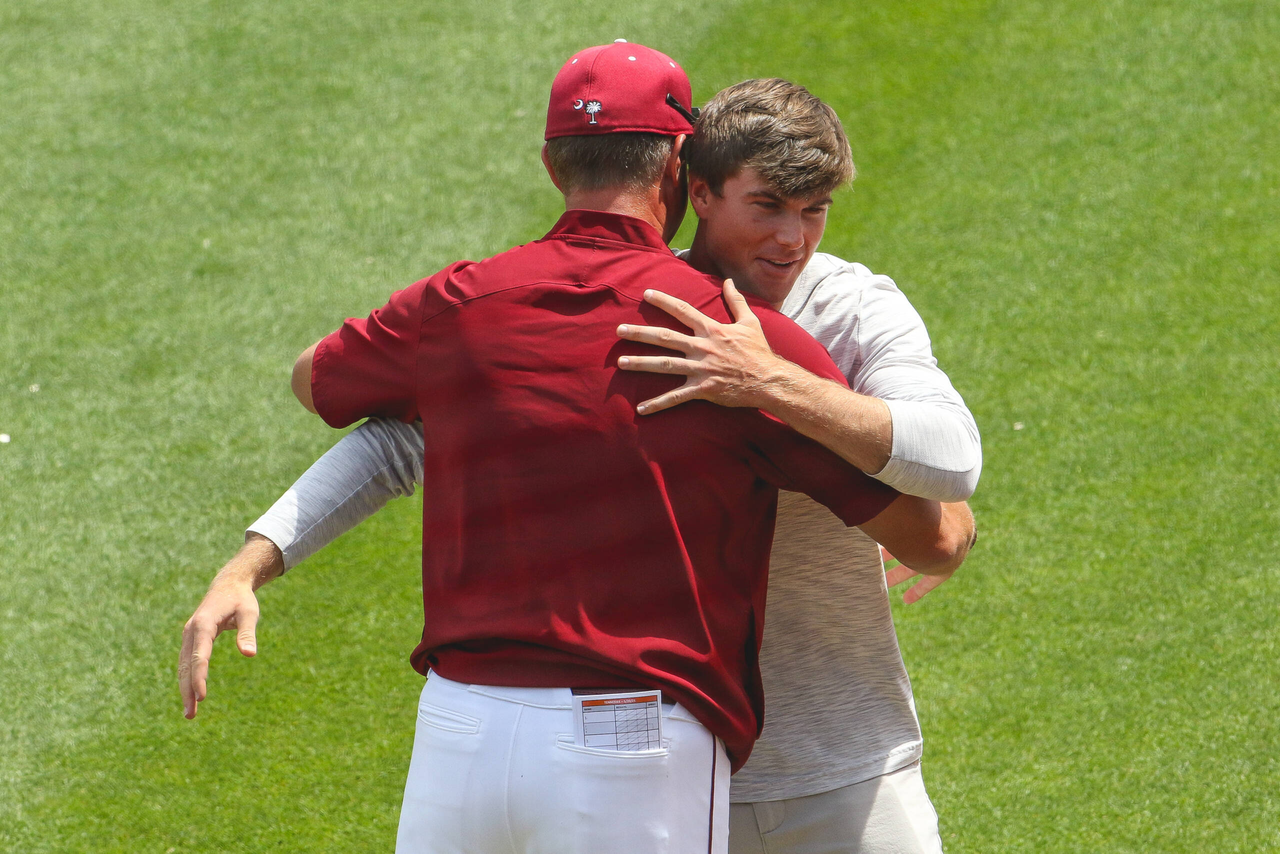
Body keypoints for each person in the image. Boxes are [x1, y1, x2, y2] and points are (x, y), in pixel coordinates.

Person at [178, 45, 973, 854]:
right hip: (649, 745)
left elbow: (324, 386)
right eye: (768, 205)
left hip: (477, 726)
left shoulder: (469, 306)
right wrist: (775, 384)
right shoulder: (720, 333)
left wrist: (249, 560)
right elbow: (933, 533)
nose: (792, 238)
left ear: (552, 165)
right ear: (683, 176)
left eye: (814, 210)